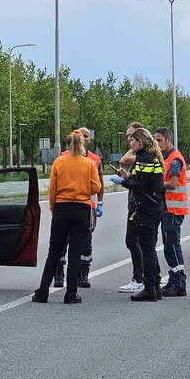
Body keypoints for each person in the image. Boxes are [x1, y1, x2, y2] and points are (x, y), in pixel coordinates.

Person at [33, 130, 101, 305]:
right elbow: (96, 187)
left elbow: (53, 189)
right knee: (75, 253)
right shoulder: (88, 164)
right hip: (81, 209)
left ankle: (42, 292)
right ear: (82, 145)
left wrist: (54, 209)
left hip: (62, 208)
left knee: (54, 252)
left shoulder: (59, 162)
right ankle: (71, 294)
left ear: (68, 144)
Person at [116, 127, 165, 302]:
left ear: (141, 142)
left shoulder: (144, 159)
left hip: (147, 209)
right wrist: (127, 177)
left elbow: (140, 186)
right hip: (155, 207)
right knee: (150, 248)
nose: (130, 143)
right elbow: (143, 181)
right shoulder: (152, 158)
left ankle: (150, 288)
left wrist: (123, 182)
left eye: (132, 141)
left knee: (148, 250)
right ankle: (156, 287)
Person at [55, 127, 104, 288]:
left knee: (85, 241)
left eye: (86, 136)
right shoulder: (62, 156)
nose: (83, 138)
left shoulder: (95, 159)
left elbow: (100, 184)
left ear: (90, 139)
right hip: (66, 204)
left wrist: (100, 203)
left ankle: (83, 274)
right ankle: (59, 273)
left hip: (87, 206)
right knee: (62, 240)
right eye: (81, 135)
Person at [153, 127, 188, 297]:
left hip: (173, 209)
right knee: (169, 246)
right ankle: (174, 280)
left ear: (168, 139)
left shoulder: (175, 159)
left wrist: (154, 185)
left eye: (159, 140)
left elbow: (173, 184)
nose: (156, 143)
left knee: (172, 247)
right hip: (168, 208)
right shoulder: (166, 158)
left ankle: (179, 283)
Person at [115, 122, 145, 293]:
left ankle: (138, 278)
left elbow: (124, 159)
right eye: (127, 136)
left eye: (132, 137)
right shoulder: (142, 155)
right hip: (136, 201)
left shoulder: (143, 155)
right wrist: (126, 177)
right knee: (141, 241)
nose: (128, 140)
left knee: (132, 240)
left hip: (138, 203)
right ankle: (145, 276)